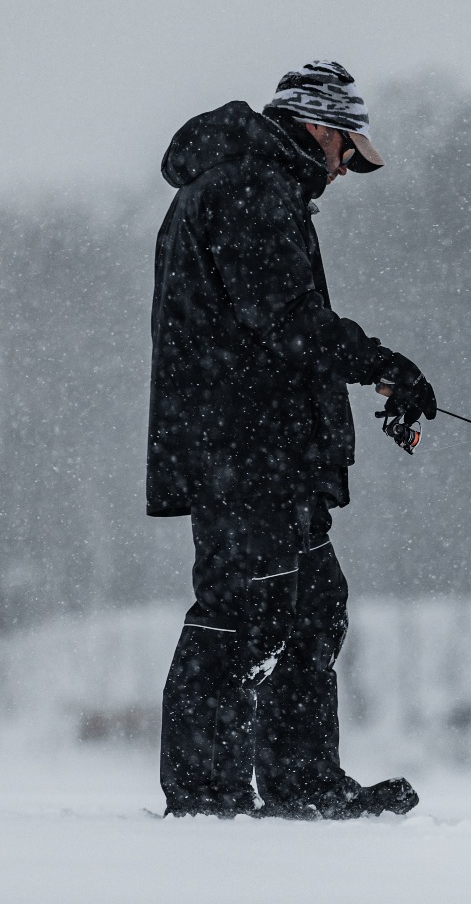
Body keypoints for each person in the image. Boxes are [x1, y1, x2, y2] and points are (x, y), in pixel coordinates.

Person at [147, 60, 437, 819]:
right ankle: (206, 798)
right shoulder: (248, 189)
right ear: (318, 126)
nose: (345, 169)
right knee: (247, 611)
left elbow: (282, 325)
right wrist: (379, 363)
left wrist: (367, 372)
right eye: (347, 149)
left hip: (266, 448)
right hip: (241, 451)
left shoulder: (252, 185)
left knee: (309, 605)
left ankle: (303, 783)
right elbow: (284, 320)